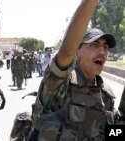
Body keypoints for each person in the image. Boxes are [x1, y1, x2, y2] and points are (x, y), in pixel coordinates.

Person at [27, 0, 125, 140]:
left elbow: (113, 133)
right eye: (94, 45)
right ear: (77, 52)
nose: (102, 51)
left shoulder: (106, 95)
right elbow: (66, 52)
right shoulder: (61, 85)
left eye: (105, 47)